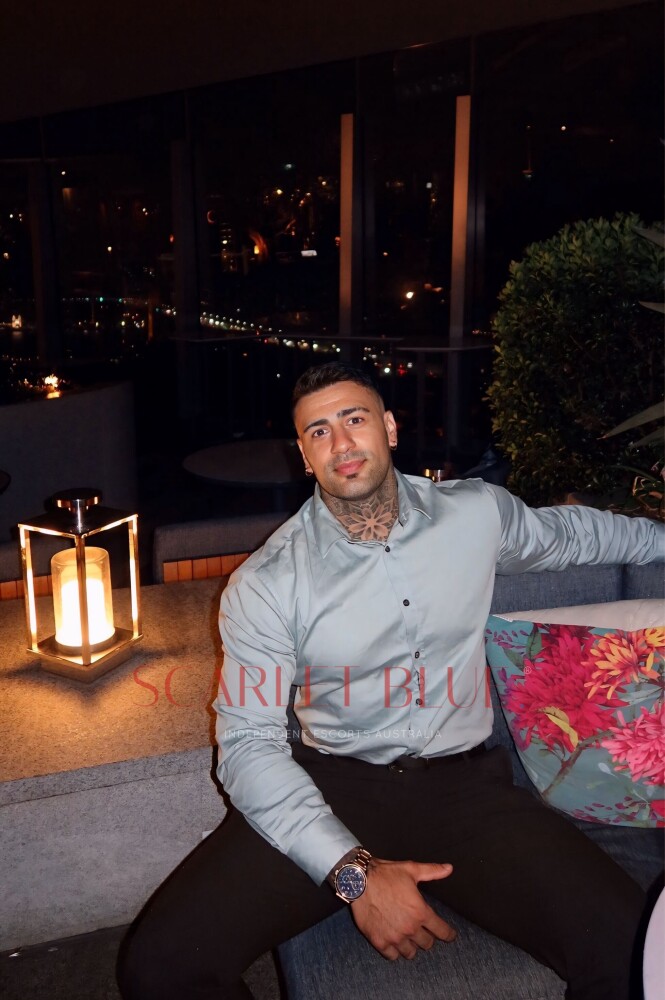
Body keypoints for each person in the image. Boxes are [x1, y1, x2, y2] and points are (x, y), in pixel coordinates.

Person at [118, 363, 664, 1000]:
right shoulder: (266, 583)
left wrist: (660, 538)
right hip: (338, 786)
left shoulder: (475, 514)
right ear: (304, 456)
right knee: (159, 966)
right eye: (318, 431)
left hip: (470, 791)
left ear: (391, 427)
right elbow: (247, 745)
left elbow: (574, 536)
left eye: (354, 419)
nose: (341, 443)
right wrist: (354, 875)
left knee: (635, 950)